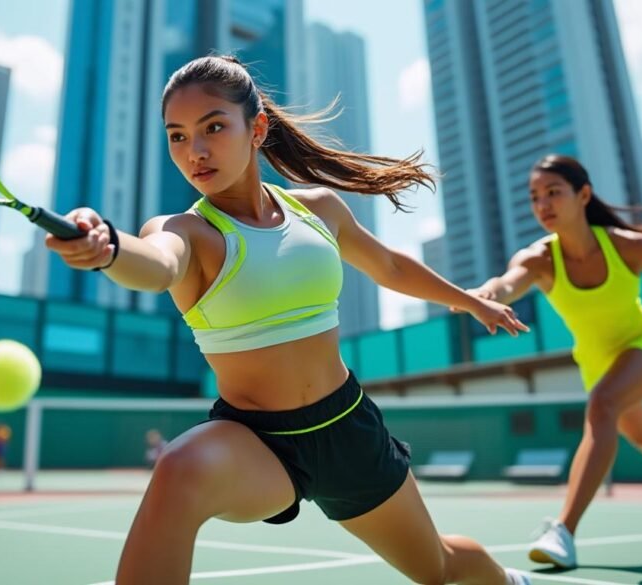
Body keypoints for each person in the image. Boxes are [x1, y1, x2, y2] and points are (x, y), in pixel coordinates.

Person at [47, 55, 531, 585]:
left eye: (213, 127)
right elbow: (157, 264)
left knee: (438, 569)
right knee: (178, 469)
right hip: (259, 442)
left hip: (349, 429)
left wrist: (470, 300)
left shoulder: (319, 210)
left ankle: (507, 581)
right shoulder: (186, 231)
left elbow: (389, 266)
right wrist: (110, 248)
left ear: (256, 128)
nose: (196, 151)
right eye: (178, 137)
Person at [468, 154, 642, 569]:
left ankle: (563, 529)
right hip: (597, 359)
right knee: (638, 433)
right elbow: (506, 284)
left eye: (554, 193)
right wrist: (486, 294)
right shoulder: (537, 258)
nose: (543, 205)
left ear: (584, 195)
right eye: (535, 197)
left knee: (602, 407)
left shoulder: (629, 246)